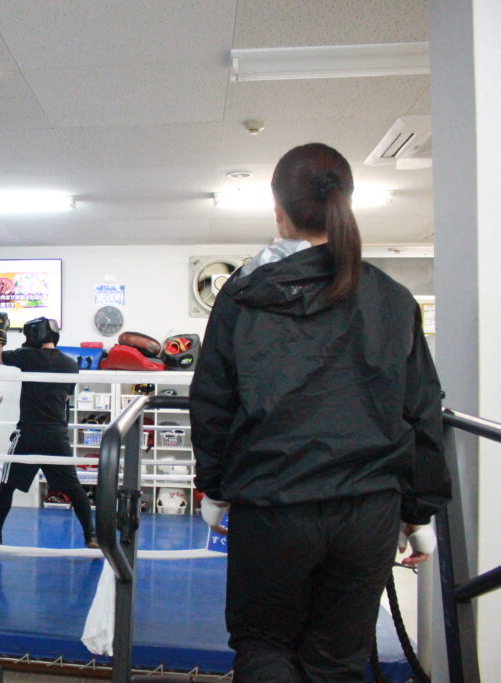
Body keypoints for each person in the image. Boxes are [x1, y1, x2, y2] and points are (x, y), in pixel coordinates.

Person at [189, 142, 451, 682]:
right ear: (345, 203)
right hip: (367, 510)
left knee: (265, 648)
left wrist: (214, 489)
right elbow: (422, 409)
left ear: (278, 211)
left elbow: (213, 403)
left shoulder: (241, 297)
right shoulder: (393, 299)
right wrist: (419, 512)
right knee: (338, 660)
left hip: (273, 505)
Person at [0, 313, 98, 549]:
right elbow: (66, 397)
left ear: (34, 335)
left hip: (29, 434)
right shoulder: (70, 364)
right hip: (57, 435)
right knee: (74, 488)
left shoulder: (27, 356)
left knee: (7, 486)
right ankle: (91, 536)